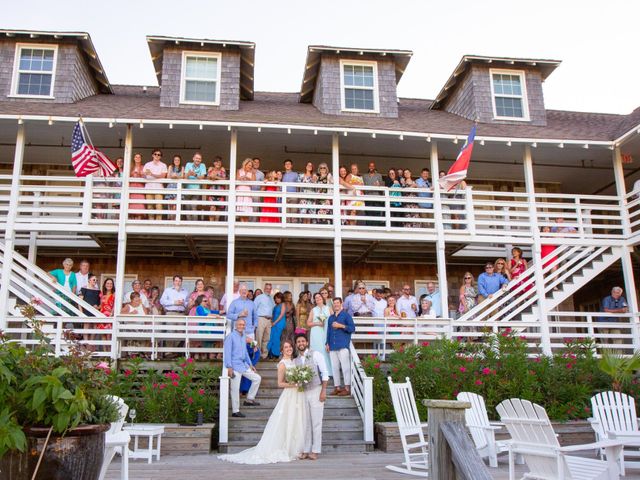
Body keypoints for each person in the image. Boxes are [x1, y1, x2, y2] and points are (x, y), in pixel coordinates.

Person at [219, 339, 303, 464]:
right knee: (286, 419)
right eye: (286, 347)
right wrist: (294, 384)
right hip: (289, 394)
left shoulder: (294, 362)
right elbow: (280, 383)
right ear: (282, 350)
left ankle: (296, 448)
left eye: (290, 347)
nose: (289, 349)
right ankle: (285, 448)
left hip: (297, 395)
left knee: (296, 419)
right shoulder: (282, 364)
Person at [295, 333, 329, 460]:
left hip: (316, 390)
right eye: (298, 342)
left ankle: (315, 450)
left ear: (307, 342)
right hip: (303, 392)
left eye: (303, 341)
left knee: (316, 422)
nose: (301, 343)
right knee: (306, 422)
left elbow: (325, 373)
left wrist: (323, 391)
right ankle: (306, 449)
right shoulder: (296, 360)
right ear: (296, 344)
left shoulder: (316, 354)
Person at [222, 318, 262, 419]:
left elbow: (245, 352)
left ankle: (249, 399)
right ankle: (235, 411)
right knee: (235, 389)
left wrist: (250, 364)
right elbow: (227, 352)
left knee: (257, 378)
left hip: (243, 365)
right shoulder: (230, 337)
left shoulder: (243, 336)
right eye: (240, 324)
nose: (241, 326)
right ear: (236, 325)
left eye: (243, 325)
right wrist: (229, 367)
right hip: (234, 366)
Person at [326, 297, 355, 396]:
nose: (336, 305)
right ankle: (337, 387)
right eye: (334, 303)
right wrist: (327, 343)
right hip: (333, 346)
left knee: (345, 367)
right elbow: (329, 331)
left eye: (337, 303)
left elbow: (352, 328)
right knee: (334, 367)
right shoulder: (331, 317)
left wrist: (341, 326)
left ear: (341, 303)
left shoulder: (346, 316)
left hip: (343, 345)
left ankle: (347, 388)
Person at [308, 292, 332, 373]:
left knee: (325, 350)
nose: (318, 298)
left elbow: (334, 319)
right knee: (317, 350)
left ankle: (328, 372)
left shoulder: (328, 308)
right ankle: (316, 371)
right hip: (316, 332)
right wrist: (318, 323)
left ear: (322, 298)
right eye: (316, 297)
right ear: (314, 300)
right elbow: (308, 323)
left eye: (319, 297)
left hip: (326, 332)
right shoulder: (313, 310)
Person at [143, 149, 167, 220]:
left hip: (159, 188)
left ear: (160, 156)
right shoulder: (147, 164)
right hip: (149, 187)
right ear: (152, 155)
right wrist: (145, 174)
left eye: (159, 154)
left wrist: (152, 174)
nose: (157, 155)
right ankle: (151, 221)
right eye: (155, 154)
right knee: (150, 206)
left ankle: (158, 222)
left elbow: (163, 176)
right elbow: (143, 175)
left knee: (159, 206)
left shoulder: (163, 165)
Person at [254, 283, 275, 359]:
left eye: (270, 289)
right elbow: (254, 309)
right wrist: (255, 321)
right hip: (261, 319)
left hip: (269, 320)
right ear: (264, 288)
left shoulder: (271, 298)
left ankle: (264, 355)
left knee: (267, 338)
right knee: (259, 337)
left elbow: (272, 309)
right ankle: (257, 354)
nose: (268, 290)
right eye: (267, 288)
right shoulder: (259, 297)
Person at [184, 152, 207, 218]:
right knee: (187, 207)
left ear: (201, 160)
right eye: (196, 158)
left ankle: (194, 223)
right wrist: (189, 173)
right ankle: (188, 224)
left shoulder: (202, 165)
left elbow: (202, 177)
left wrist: (195, 175)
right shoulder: (188, 164)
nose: (198, 160)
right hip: (187, 189)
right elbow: (185, 177)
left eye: (199, 159)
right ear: (193, 158)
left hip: (196, 189)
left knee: (194, 206)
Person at [207, 156, 227, 221]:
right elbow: (208, 177)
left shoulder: (222, 170)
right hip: (212, 192)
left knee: (218, 210)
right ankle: (211, 225)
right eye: (216, 162)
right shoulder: (210, 169)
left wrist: (215, 177)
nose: (218, 163)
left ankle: (216, 225)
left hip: (220, 193)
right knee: (212, 208)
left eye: (219, 162)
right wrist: (212, 177)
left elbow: (224, 179)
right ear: (214, 163)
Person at [267, 292, 286, 358]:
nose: (277, 299)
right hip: (273, 323)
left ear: (281, 298)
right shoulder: (275, 306)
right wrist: (271, 321)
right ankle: (270, 352)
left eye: (278, 298)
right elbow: (272, 315)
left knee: (276, 338)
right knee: (271, 337)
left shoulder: (283, 304)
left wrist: (275, 323)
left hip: (279, 323)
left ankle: (276, 353)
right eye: (275, 298)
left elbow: (281, 315)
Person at [129, 153, 146, 219]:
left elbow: (145, 176)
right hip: (132, 187)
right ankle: (132, 220)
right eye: (136, 157)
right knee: (132, 205)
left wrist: (140, 174)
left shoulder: (143, 167)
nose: (138, 158)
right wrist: (132, 174)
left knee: (140, 204)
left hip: (140, 187)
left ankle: (139, 220)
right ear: (134, 158)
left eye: (139, 157)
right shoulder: (131, 167)